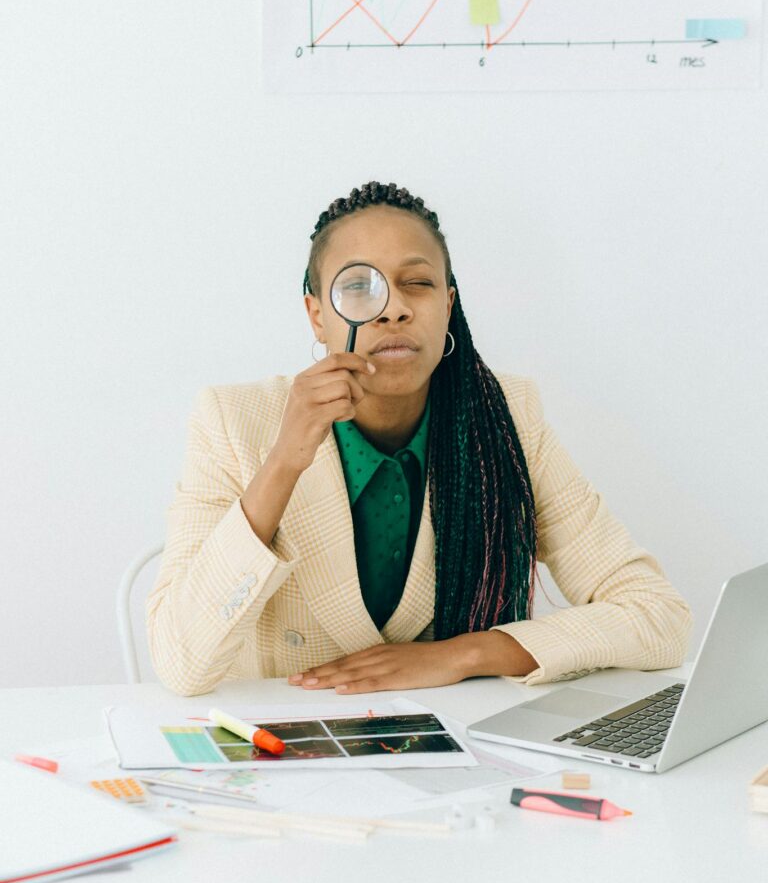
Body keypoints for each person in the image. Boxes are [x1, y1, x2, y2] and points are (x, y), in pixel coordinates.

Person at [147, 181, 692, 697]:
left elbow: (658, 615)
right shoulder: (234, 420)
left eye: (418, 283)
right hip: (290, 751)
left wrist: (465, 654)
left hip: (457, 755)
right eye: (359, 286)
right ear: (317, 315)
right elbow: (180, 664)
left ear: (448, 306)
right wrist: (285, 461)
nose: (393, 307)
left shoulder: (507, 418)